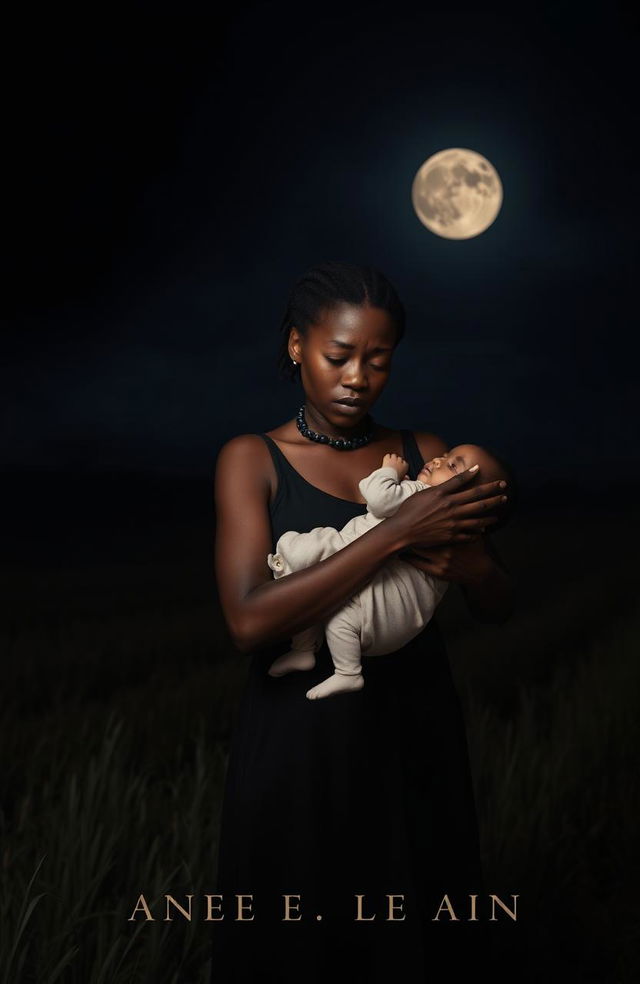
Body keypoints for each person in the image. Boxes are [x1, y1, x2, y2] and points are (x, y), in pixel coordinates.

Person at [210, 260, 515, 984]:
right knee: (294, 950)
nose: (357, 377)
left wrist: (471, 564)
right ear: (295, 346)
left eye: (377, 361)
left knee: (414, 948)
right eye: (337, 355)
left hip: (413, 739)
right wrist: (397, 532)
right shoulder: (252, 459)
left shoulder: (427, 455)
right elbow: (248, 624)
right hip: (297, 750)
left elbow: (498, 602)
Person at [266, 444, 511, 700]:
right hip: (397, 623)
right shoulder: (461, 532)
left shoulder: (427, 498)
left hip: (376, 597)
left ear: (474, 502)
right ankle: (328, 662)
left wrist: (389, 472)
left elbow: (379, 497)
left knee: (304, 560)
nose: (438, 460)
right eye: (445, 455)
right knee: (336, 614)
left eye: (452, 466)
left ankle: (308, 649)